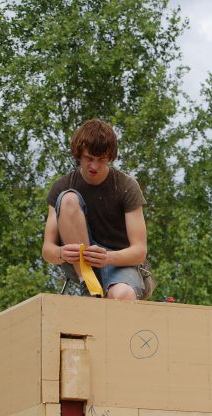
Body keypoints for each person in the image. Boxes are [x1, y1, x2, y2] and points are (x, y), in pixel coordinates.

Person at [42, 119, 148, 300]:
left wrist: (107, 258)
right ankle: (89, 287)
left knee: (123, 295)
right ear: (79, 154)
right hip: (80, 266)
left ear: (110, 157)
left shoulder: (126, 186)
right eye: (88, 158)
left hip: (119, 262)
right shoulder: (62, 185)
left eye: (101, 160)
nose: (94, 166)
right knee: (68, 199)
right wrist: (61, 253)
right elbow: (47, 251)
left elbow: (139, 251)